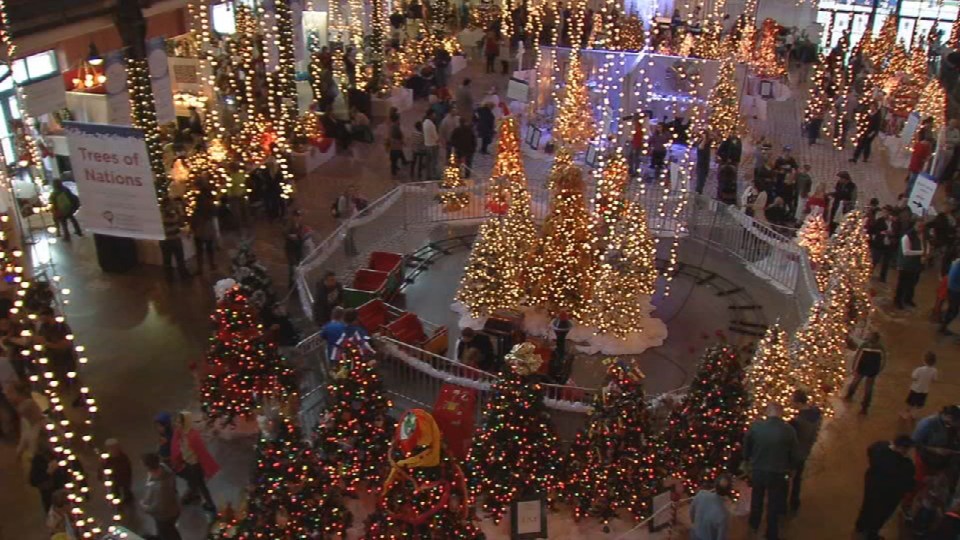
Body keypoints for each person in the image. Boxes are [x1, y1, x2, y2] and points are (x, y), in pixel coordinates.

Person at [744, 403, 799, 540]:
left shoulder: (756, 427)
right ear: (781, 413)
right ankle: (771, 533)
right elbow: (794, 454)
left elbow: (747, 446)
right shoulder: (789, 430)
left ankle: (754, 524)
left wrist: (748, 460)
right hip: (778, 473)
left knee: (757, 499)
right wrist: (792, 469)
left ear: (767, 413)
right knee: (773, 503)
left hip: (758, 471)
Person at [854, 435, 916, 540]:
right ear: (902, 448)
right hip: (889, 494)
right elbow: (908, 484)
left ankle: (860, 527)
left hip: (872, 484)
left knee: (867, 506)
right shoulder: (905, 464)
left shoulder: (880, 447)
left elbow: (870, 449)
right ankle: (872, 535)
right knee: (881, 515)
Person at [170, 411, 219, 513]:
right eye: (176, 422)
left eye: (179, 422)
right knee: (193, 482)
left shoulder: (193, 436)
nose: (176, 424)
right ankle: (194, 494)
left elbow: (201, 452)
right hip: (187, 463)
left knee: (200, 484)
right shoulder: (180, 433)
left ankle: (210, 504)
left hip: (195, 465)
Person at [787, 390, 821, 513]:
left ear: (798, 402)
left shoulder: (800, 421)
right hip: (806, 450)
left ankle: (789, 502)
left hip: (797, 453)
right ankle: (795, 501)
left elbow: (794, 439)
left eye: (792, 401)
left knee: (790, 477)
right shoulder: (816, 413)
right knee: (798, 478)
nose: (791, 403)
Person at [141, 452, 182, 540]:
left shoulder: (160, 487)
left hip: (165, 515)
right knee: (169, 530)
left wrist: (144, 507)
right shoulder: (164, 468)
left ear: (148, 467)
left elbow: (158, 507)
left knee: (167, 532)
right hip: (173, 506)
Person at [844, 332, 885, 414]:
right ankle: (864, 407)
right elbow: (884, 360)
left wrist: (854, 367)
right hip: (872, 370)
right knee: (868, 388)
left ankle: (849, 396)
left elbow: (857, 356)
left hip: (862, 367)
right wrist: (879, 370)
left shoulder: (865, 345)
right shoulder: (880, 347)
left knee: (856, 383)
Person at [689, 473, 731, 540]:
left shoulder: (701, 494)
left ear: (715, 485)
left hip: (695, 534)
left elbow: (691, 512)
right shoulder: (723, 514)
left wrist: (697, 525)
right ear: (728, 491)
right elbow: (721, 537)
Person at [30, 442, 69, 513]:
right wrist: (48, 473)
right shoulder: (39, 459)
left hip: (63, 491)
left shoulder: (62, 455)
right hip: (49, 494)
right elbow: (33, 480)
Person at [894, 218, 924, 310]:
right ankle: (898, 301)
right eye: (919, 226)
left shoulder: (923, 235)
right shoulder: (907, 236)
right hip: (905, 264)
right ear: (914, 226)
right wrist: (921, 252)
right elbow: (906, 252)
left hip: (916, 264)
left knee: (913, 283)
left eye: (922, 226)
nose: (921, 228)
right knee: (902, 284)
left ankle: (908, 299)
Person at [159, 198, 190, 281]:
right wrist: (179, 212)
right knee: (179, 259)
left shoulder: (159, 213)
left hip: (164, 240)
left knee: (167, 260)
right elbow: (180, 222)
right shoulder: (171, 214)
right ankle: (183, 276)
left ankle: (169, 277)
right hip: (174, 239)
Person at [902, 352, 938, 420]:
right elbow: (934, 380)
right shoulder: (934, 371)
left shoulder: (919, 369)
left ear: (924, 360)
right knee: (919, 404)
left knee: (910, 403)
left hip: (915, 389)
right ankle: (914, 415)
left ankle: (906, 415)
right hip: (925, 391)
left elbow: (914, 377)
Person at [190, 187, 218, 274]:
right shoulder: (210, 207)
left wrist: (193, 228)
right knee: (209, 248)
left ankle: (200, 268)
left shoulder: (197, 209)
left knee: (200, 250)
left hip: (200, 230)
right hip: (207, 229)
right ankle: (211, 265)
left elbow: (194, 220)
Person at [100, 438, 134, 505]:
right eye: (110, 448)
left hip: (123, 477)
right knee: (115, 489)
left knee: (125, 488)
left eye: (114, 447)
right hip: (113, 478)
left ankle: (128, 497)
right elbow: (103, 466)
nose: (112, 450)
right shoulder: (106, 457)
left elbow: (127, 468)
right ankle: (117, 500)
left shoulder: (123, 457)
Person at [283, 210, 311, 287]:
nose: (298, 218)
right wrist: (293, 236)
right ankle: (292, 285)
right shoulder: (289, 225)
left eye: (299, 216)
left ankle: (298, 284)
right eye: (297, 216)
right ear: (293, 217)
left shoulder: (300, 225)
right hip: (291, 250)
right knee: (293, 267)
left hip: (299, 249)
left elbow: (302, 234)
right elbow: (286, 233)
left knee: (298, 267)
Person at [941, 253, 960, 333]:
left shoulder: (957, 262)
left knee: (952, 309)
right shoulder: (958, 264)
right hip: (955, 290)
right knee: (953, 311)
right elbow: (953, 279)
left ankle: (943, 327)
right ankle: (944, 327)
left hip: (952, 289)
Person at [387, 110, 407, 177]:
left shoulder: (392, 126)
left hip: (393, 146)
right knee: (394, 160)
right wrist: (403, 142)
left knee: (394, 160)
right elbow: (399, 136)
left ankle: (396, 168)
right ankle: (394, 173)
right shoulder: (395, 127)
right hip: (396, 146)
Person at [423, 110, 441, 180]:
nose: (435, 116)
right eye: (434, 114)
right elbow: (436, 137)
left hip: (427, 144)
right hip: (433, 145)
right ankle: (434, 175)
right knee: (434, 161)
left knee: (428, 161)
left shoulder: (424, 123)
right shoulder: (431, 125)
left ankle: (428, 174)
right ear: (431, 115)